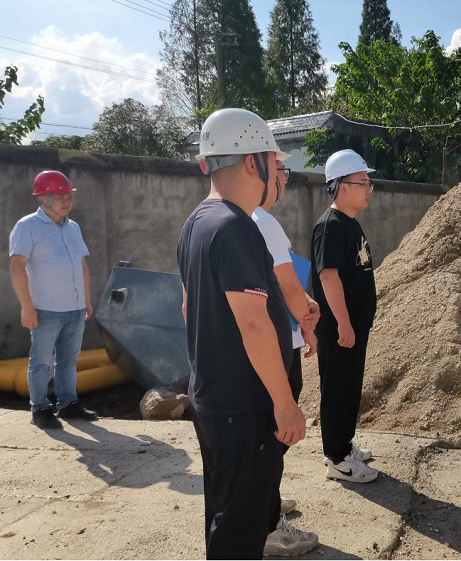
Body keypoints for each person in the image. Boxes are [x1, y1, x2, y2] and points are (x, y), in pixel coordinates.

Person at [177, 108, 306, 559]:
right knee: (241, 528)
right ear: (254, 162)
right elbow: (253, 323)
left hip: (214, 399)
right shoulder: (235, 227)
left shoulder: (196, 222)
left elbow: (189, 308)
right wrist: (284, 403)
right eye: (274, 160)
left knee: (225, 511)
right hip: (243, 408)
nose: (278, 171)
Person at [251, 162, 321, 556]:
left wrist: (304, 306)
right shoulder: (261, 221)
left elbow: (286, 283)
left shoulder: (249, 220)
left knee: (269, 438)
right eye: (279, 168)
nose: (284, 177)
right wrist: (307, 320)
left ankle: (268, 500)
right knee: (273, 433)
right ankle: (265, 523)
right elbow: (287, 288)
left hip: (281, 338)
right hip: (277, 343)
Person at [9, 170, 97, 430]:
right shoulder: (27, 227)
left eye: (68, 196)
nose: (66, 201)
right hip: (45, 309)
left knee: (68, 359)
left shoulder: (73, 227)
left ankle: (68, 403)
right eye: (59, 196)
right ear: (43, 198)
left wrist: (86, 299)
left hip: (74, 308)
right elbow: (16, 267)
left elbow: (82, 266)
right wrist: (26, 306)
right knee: (41, 362)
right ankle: (40, 408)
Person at [310, 149, 378, 483]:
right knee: (337, 388)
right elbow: (328, 277)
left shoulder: (349, 223)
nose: (369, 189)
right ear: (342, 186)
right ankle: (336, 458)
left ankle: (344, 444)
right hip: (340, 329)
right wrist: (344, 322)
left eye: (369, 183)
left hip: (353, 327)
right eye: (363, 182)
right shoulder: (331, 226)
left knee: (350, 387)